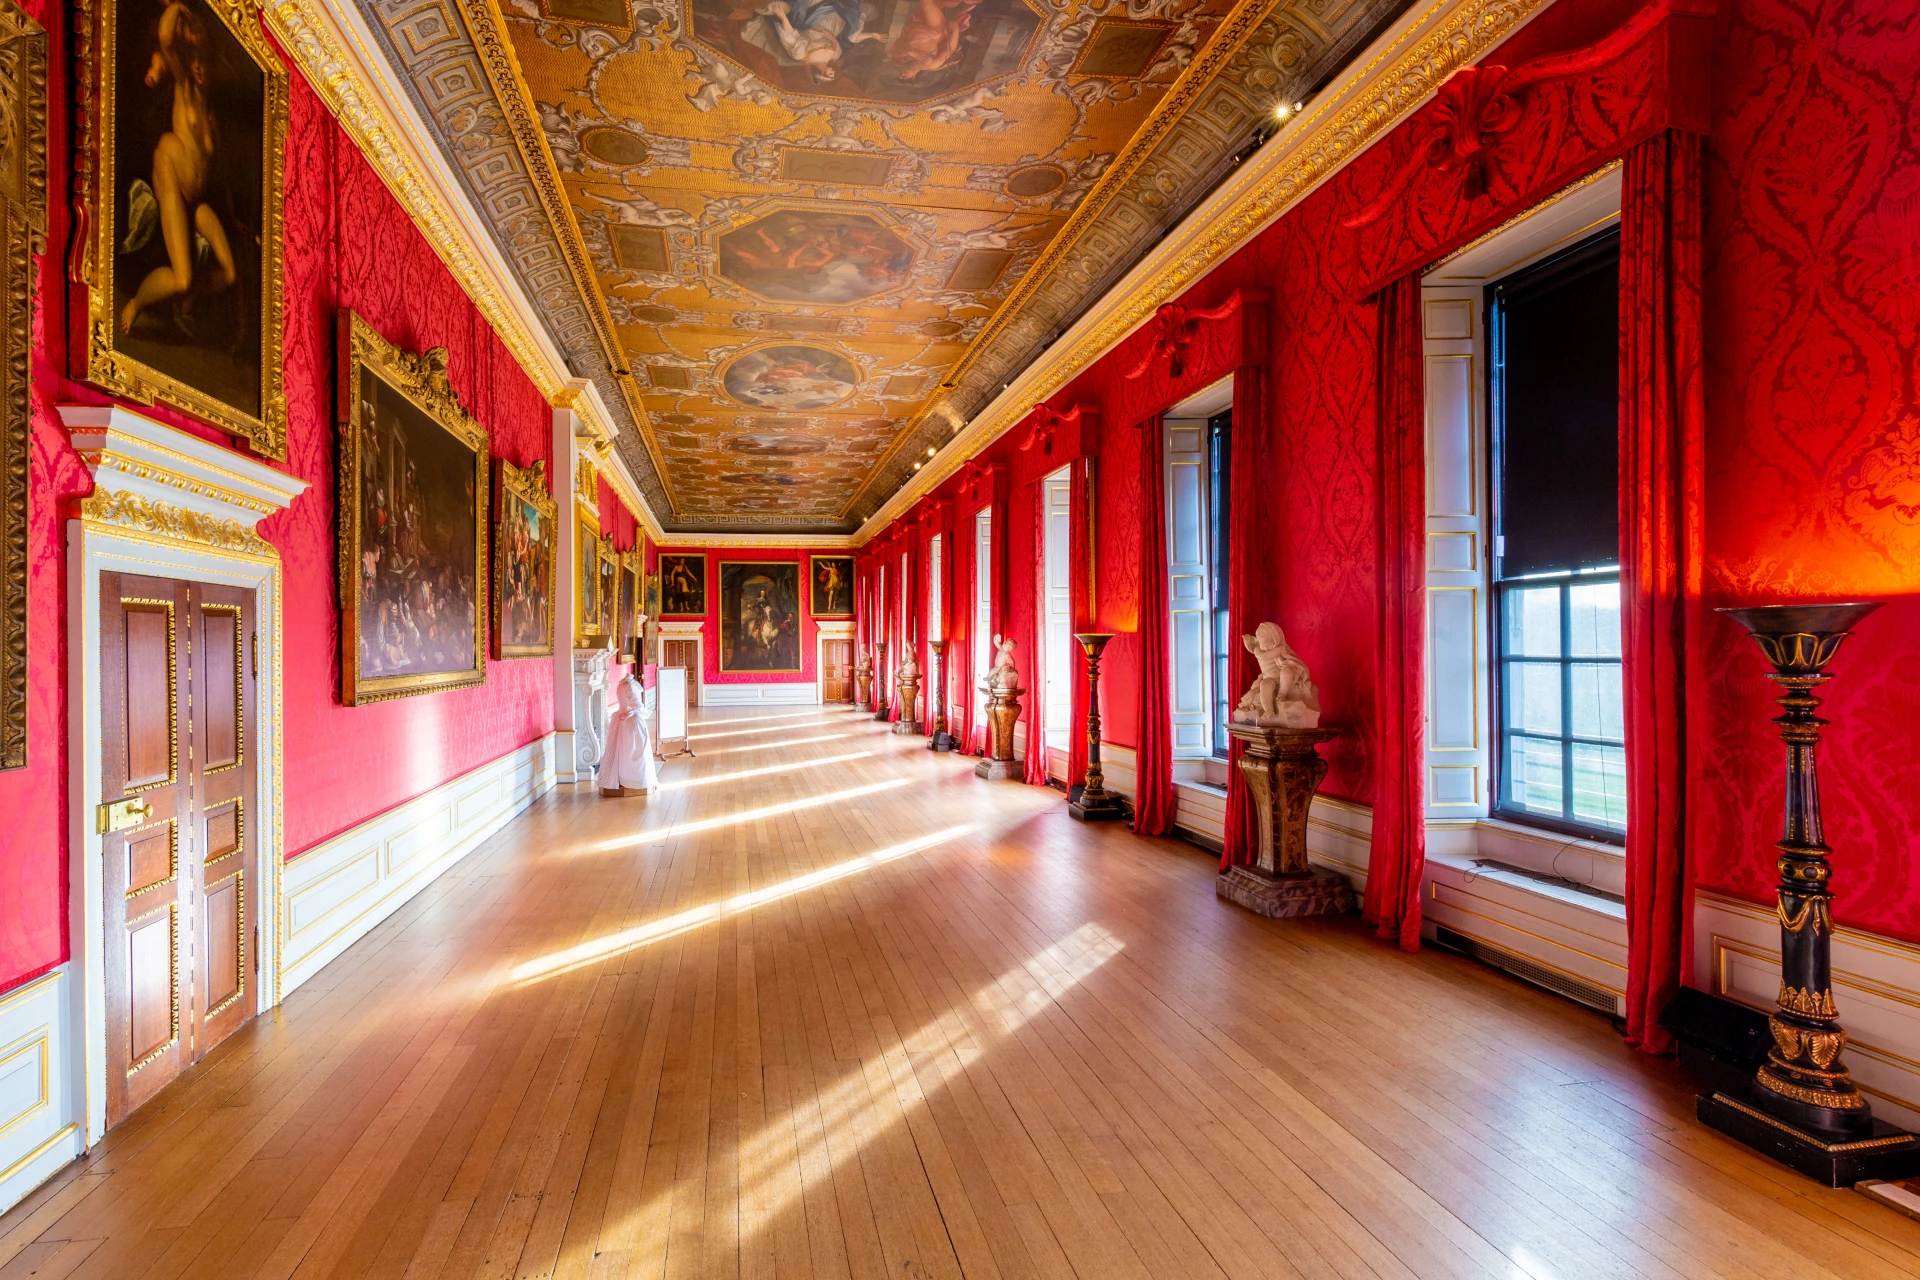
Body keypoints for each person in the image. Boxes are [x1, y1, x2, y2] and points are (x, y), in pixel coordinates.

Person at [120, 0, 239, 335]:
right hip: (171, 171)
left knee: (229, 273)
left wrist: (233, 215)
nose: (200, 69)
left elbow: (223, 176)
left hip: (196, 199)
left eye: (204, 64)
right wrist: (175, 6)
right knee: (181, 275)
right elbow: (166, 37)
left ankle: (188, 297)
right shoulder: (184, 83)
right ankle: (138, 303)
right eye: (196, 63)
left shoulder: (212, 119)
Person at [598, 673, 659, 796]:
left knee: (627, 752)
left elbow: (631, 705)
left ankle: (627, 780)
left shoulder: (623, 687)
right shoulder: (627, 689)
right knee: (625, 751)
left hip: (628, 720)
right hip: (627, 720)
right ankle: (626, 780)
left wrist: (629, 714)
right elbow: (635, 705)